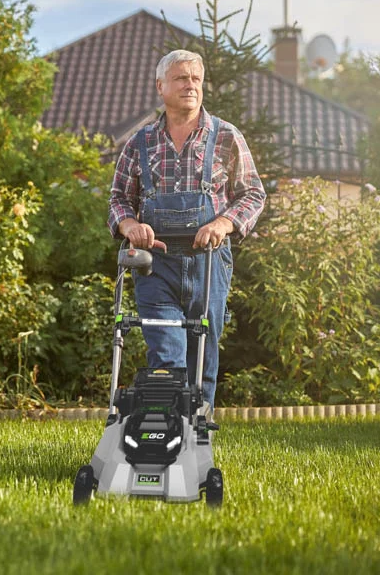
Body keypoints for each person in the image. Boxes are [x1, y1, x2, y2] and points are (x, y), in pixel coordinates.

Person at [107, 49, 266, 416]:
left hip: (208, 263)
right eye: (181, 78)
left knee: (203, 355)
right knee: (166, 353)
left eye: (196, 78)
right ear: (160, 86)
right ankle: (166, 435)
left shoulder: (226, 137)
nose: (190, 85)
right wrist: (129, 225)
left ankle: (197, 440)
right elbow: (118, 199)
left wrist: (224, 223)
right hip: (154, 266)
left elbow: (254, 193)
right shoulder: (140, 142)